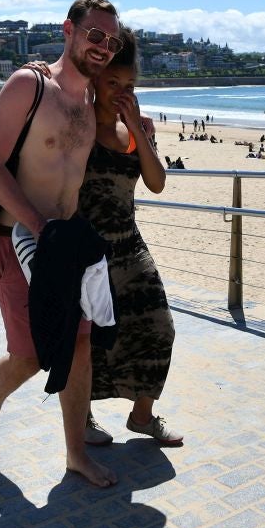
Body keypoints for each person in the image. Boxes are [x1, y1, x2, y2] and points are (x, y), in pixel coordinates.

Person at [0, 0, 120, 488]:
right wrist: (37, 225)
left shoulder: (90, 99)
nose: (102, 46)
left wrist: (137, 120)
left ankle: (75, 454)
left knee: (79, 346)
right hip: (18, 237)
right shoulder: (29, 85)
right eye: (94, 34)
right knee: (32, 355)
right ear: (69, 30)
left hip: (65, 244)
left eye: (111, 41)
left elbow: (119, 141)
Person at [77, 27, 183, 447]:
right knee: (88, 339)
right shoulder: (77, 124)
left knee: (159, 327)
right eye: (113, 82)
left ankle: (142, 416)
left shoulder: (134, 129)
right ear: (95, 82)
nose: (121, 91)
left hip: (129, 245)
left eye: (130, 85)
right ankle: (81, 417)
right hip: (85, 250)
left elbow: (156, 182)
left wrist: (138, 128)